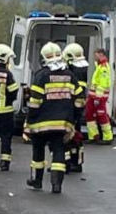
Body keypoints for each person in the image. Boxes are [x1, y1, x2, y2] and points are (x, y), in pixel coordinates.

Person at [25, 43, 81, 194]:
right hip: (62, 123)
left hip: (41, 123)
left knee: (38, 150)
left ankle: (37, 181)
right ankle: (57, 185)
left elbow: (34, 102)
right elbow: (80, 99)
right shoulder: (70, 76)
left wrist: (29, 121)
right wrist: (74, 118)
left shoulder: (40, 75)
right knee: (58, 150)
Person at [63, 43, 90, 173]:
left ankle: (67, 163)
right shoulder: (82, 69)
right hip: (78, 107)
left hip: (70, 107)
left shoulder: (73, 71)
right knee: (77, 136)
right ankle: (77, 162)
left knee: (68, 136)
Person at [85, 49, 114, 144]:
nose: (94, 57)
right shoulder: (99, 66)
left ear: (101, 55)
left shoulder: (104, 67)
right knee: (89, 115)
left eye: (96, 55)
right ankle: (93, 136)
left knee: (102, 116)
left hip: (99, 97)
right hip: (93, 96)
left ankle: (108, 137)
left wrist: (98, 97)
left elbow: (103, 84)